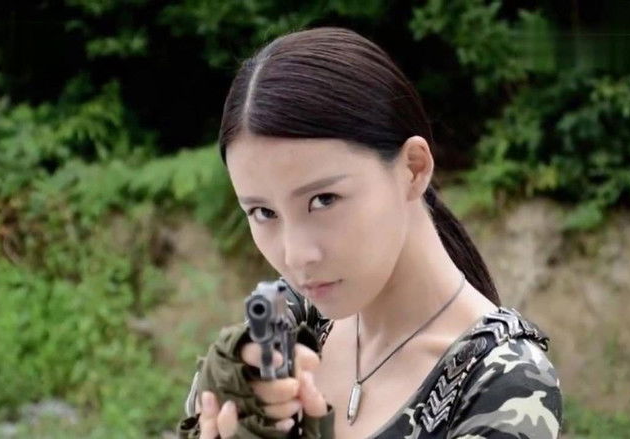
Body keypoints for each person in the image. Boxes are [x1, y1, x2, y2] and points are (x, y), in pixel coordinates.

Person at [177, 26, 562, 439]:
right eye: (263, 212)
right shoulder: (286, 324)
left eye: (323, 200)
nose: (295, 255)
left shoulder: (505, 383)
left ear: (413, 168)